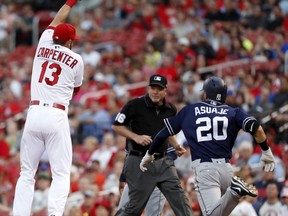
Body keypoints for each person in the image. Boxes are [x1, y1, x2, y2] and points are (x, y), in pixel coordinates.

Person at [141, 76, 277, 216]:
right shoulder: (234, 111)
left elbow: (163, 134)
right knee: (221, 213)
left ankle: (235, 192)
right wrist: (266, 151)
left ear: (205, 94)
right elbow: (257, 129)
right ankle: (234, 192)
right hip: (226, 169)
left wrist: (149, 154)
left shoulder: (190, 110)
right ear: (224, 95)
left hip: (205, 169)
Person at [13, 1, 84, 215]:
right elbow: (76, 90)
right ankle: (54, 214)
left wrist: (69, 2)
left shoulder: (43, 41)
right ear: (69, 42)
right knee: (61, 173)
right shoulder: (77, 59)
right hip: (56, 113)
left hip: (34, 113)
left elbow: (57, 19)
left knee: (26, 173)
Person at [112, 74, 193, 216]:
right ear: (148, 89)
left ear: (165, 91)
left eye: (159, 89)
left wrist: (175, 144)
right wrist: (135, 137)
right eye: (152, 88)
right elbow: (116, 126)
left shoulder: (170, 109)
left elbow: (168, 130)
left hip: (163, 161)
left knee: (180, 199)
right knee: (134, 207)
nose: (155, 92)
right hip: (139, 161)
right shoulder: (134, 105)